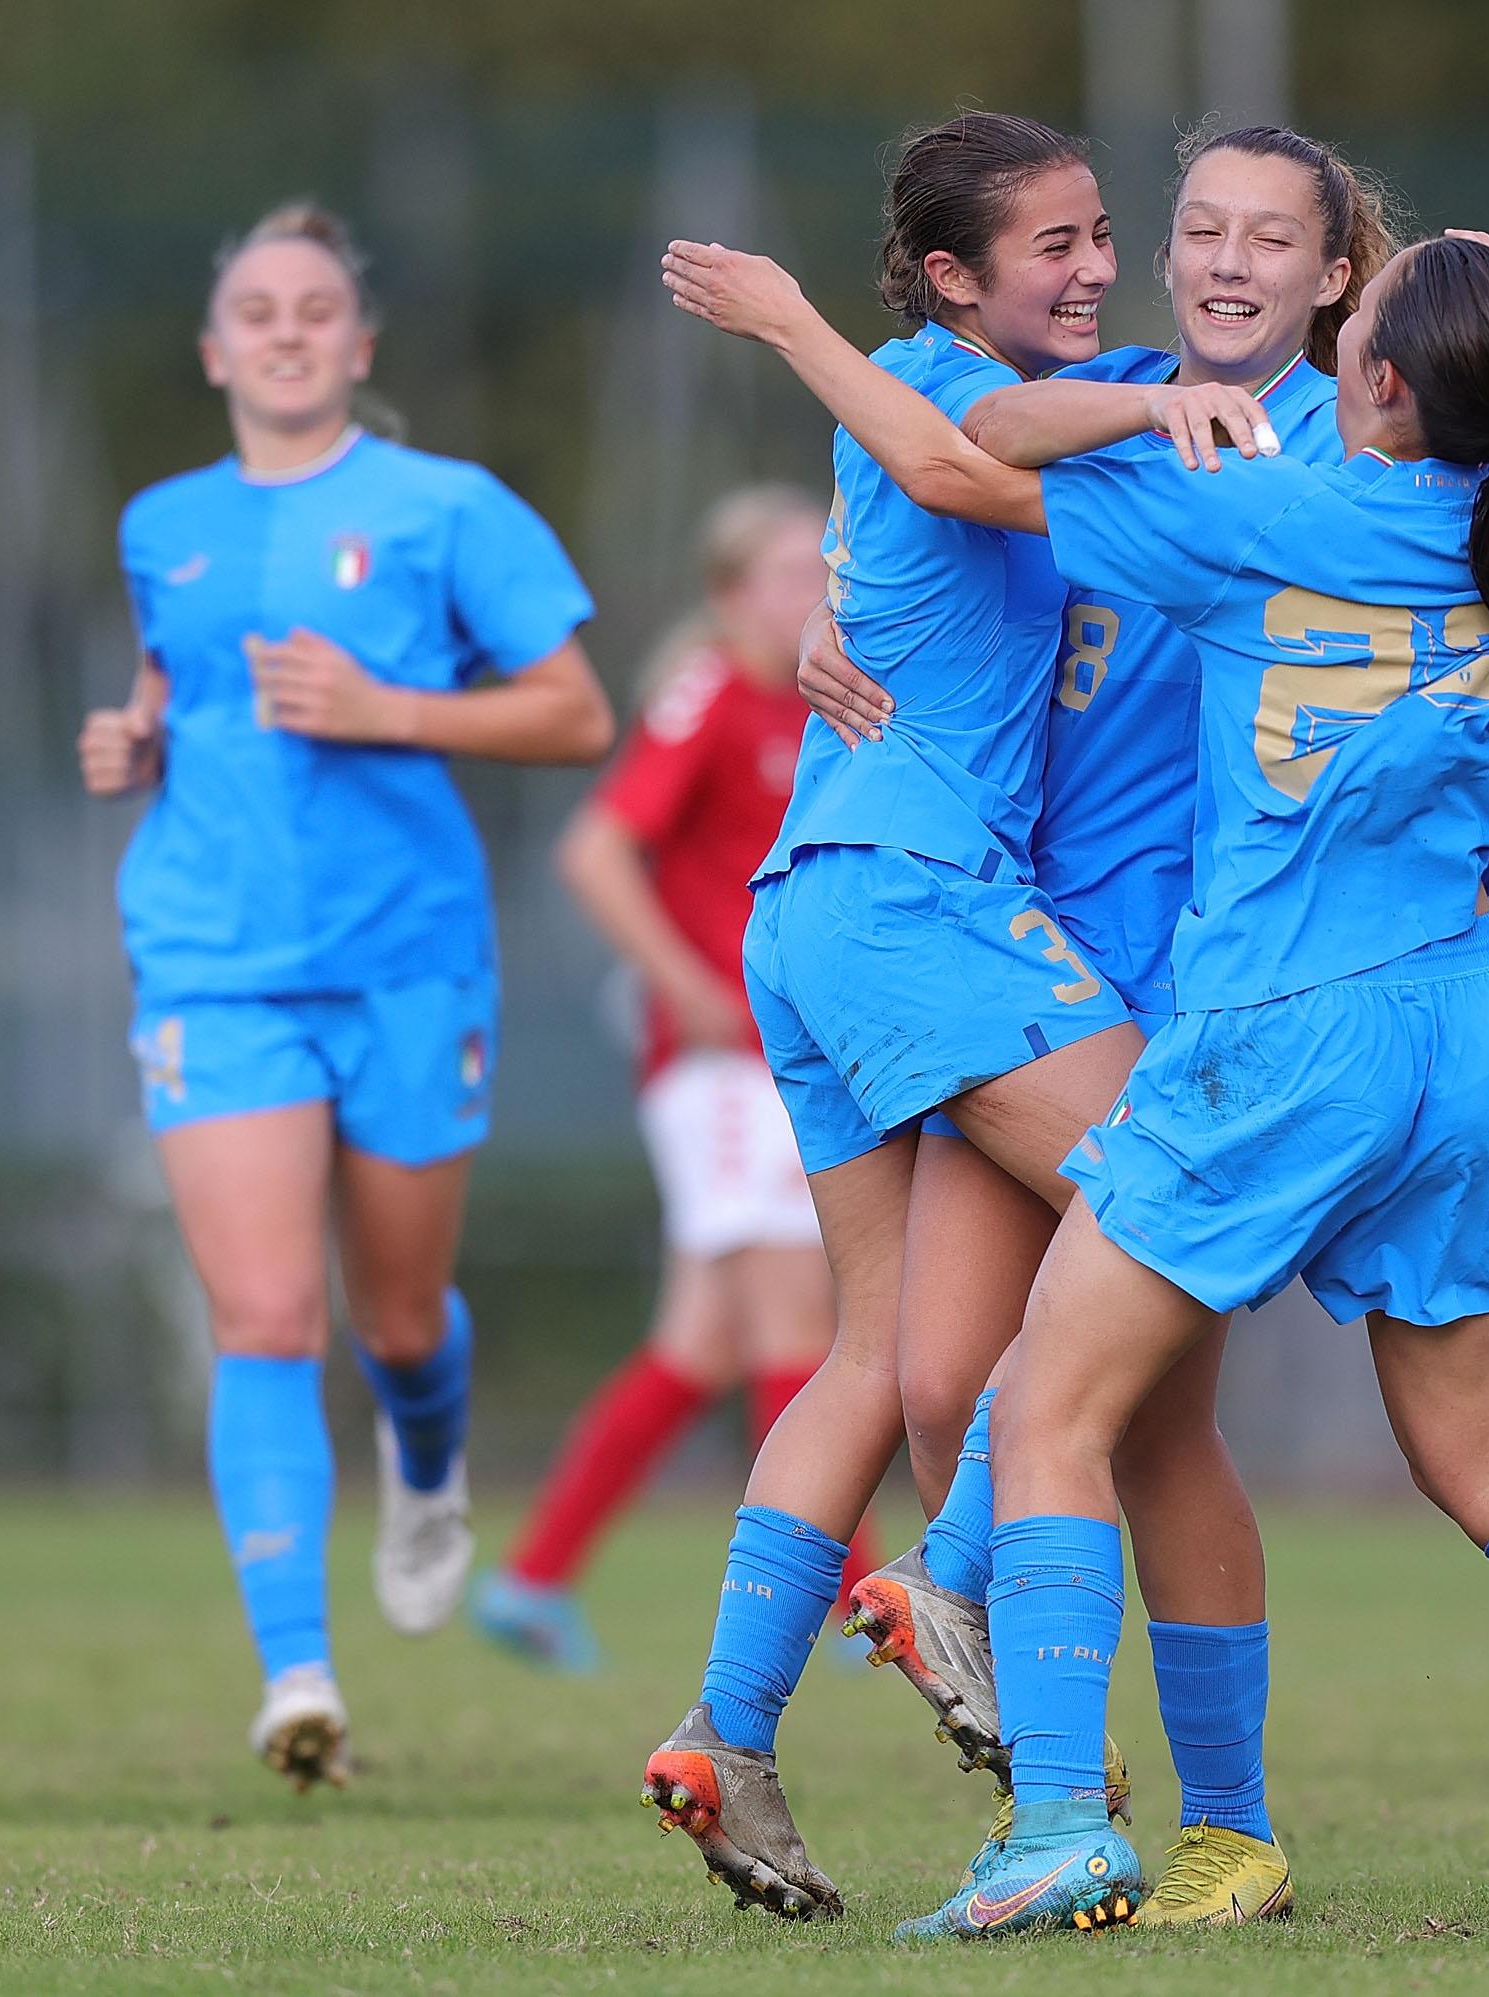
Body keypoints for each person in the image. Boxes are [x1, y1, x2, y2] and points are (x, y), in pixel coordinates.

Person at [659, 229, 1489, 1941]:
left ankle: (1058, 1824)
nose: (1220, 260)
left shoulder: (1256, 510)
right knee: (1480, 1447)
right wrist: (1459, 251)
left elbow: (967, 461)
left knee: (1048, 1411)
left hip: (1274, 1039)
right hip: (1459, 1034)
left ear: (1372, 376)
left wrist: (1069, 415)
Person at [630, 111, 1262, 1926]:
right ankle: (951, 1573)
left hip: (814, 911)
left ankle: (728, 1726)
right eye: (1053, 245)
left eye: (1100, 233)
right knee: (1178, 1184)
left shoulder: (1037, 383)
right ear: (947, 278)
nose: (1096, 265)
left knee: (887, 1356)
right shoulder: (919, 376)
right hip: (917, 901)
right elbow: (972, 463)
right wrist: (798, 325)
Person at [76, 201, 614, 1794]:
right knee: (264, 1314)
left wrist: (390, 707)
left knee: (393, 1313)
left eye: (317, 308)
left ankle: (430, 1460)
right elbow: (171, 683)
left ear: (359, 345)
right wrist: (134, 741)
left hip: (406, 958)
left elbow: (577, 714)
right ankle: (296, 1671)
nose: (289, 330)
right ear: (215, 347)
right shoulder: (161, 521)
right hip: (213, 960)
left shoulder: (450, 508)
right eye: (258, 309)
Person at [469, 486, 874, 1673]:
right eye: (790, 569)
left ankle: (534, 1577)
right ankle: (858, 1597)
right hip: (729, 1067)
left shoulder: (812, 699)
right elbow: (594, 848)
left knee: (701, 1340)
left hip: (768, 1060)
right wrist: (686, 985)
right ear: (730, 595)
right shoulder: (713, 691)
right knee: (801, 1330)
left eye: (825, 564)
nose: (816, 587)